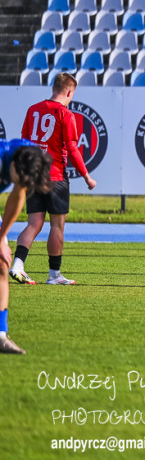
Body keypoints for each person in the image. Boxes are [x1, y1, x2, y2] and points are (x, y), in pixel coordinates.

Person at [10, 73, 97, 286]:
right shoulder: (65, 114)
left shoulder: (33, 110)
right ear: (69, 91)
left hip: (33, 176)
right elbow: (73, 149)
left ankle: (18, 265)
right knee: (57, 226)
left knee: (34, 223)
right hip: (55, 176)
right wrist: (87, 176)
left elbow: (24, 142)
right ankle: (54, 274)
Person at [0, 140, 52, 353]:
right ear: (12, 166)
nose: (21, 184)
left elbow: (16, 198)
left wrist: (1, 238)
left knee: (2, 265)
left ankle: (0, 336)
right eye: (19, 180)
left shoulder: (29, 158)